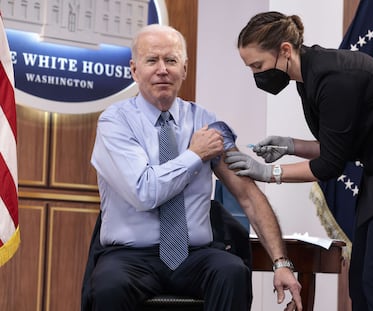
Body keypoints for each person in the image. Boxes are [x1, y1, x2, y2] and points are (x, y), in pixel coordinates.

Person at [84, 24, 302, 311]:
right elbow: (143, 192)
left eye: (171, 61)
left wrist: (282, 263)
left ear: (184, 69)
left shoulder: (207, 123)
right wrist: (193, 154)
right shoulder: (115, 122)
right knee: (109, 285)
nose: (162, 69)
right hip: (130, 256)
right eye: (152, 60)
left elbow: (248, 195)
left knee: (231, 271)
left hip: (193, 255)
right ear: (134, 70)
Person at [225, 10, 373, 311]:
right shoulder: (309, 77)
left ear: (285, 50)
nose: (256, 75)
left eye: (258, 66)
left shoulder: (333, 77)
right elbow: (337, 147)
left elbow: (329, 166)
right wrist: (290, 146)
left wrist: (269, 172)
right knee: (362, 282)